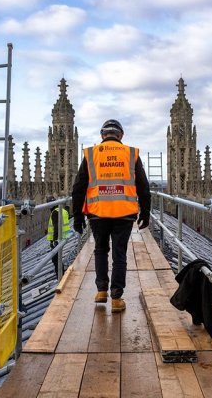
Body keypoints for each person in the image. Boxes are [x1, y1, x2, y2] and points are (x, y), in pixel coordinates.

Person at [71, 119, 151, 312]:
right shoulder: (130, 154)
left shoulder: (91, 154)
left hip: (97, 213)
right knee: (119, 254)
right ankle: (116, 297)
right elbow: (143, 186)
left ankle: (101, 291)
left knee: (100, 250)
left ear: (102, 135)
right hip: (124, 213)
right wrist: (146, 212)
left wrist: (77, 215)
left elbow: (78, 188)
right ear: (120, 135)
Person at [46, 196, 71, 276]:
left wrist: (54, 241)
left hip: (58, 240)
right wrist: (67, 207)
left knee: (56, 260)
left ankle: (60, 277)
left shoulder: (55, 212)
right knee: (57, 259)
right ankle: (62, 275)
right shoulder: (62, 210)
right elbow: (67, 215)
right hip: (64, 238)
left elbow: (57, 227)